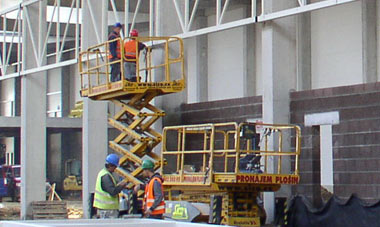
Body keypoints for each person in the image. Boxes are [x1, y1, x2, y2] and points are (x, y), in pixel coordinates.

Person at [93, 154, 127, 218]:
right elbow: (113, 192)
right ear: (110, 165)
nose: (115, 169)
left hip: (104, 209)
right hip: (107, 210)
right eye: (115, 167)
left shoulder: (104, 173)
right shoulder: (106, 176)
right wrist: (121, 186)